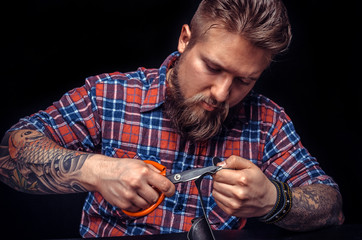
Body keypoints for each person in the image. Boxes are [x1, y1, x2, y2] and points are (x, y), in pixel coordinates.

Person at [0, 0, 344, 237]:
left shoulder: (267, 122)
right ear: (185, 40)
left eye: (244, 80)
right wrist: (98, 171)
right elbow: (8, 154)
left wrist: (274, 200)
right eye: (212, 67)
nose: (222, 94)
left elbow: (331, 207)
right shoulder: (110, 95)